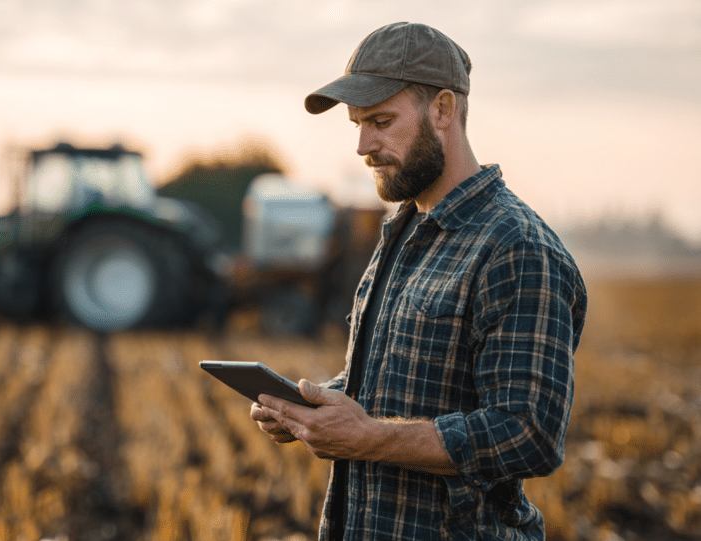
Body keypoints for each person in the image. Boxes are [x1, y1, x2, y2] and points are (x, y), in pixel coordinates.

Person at [251, 22, 587, 540]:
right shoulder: (403, 232)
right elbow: (401, 392)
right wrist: (312, 407)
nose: (364, 144)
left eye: (382, 121)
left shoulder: (516, 247)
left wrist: (367, 438)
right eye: (357, 124)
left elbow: (529, 432)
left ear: (444, 110)